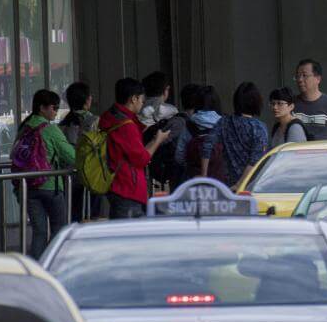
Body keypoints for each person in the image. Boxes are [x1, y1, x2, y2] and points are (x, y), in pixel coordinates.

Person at [13, 89, 75, 258]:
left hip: (27, 186)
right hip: (50, 185)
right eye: (54, 108)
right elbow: (71, 155)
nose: (56, 111)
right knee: (60, 228)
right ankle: (53, 263)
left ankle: (37, 267)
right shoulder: (50, 129)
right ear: (42, 108)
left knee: (39, 231)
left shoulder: (24, 127)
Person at [98, 78, 169, 219]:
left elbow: (135, 151)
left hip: (115, 183)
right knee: (128, 236)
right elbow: (141, 159)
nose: (142, 104)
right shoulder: (126, 126)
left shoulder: (110, 117)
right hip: (128, 187)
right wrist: (158, 141)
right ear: (134, 99)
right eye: (142, 100)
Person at [204, 82, 270, 187]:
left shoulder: (224, 122)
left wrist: (204, 176)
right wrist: (240, 184)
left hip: (228, 184)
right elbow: (255, 160)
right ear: (256, 102)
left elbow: (207, 145)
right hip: (252, 185)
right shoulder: (259, 127)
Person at [59, 81, 100, 222]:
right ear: (87, 99)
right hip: (91, 176)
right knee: (92, 217)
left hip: (68, 177)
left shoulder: (62, 124)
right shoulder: (94, 121)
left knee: (73, 216)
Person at [175, 85, 220, 171]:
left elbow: (179, 156)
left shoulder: (189, 125)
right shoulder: (223, 124)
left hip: (195, 178)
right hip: (219, 178)